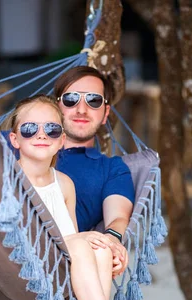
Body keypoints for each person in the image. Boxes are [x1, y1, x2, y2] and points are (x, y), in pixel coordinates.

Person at [4, 94, 153, 300]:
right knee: (89, 243)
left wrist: (94, 238)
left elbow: (69, 235)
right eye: (29, 129)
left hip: (61, 262)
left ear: (62, 141)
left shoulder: (65, 183)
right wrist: (83, 238)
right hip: (22, 258)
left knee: (99, 249)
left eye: (52, 129)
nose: (41, 135)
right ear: (14, 139)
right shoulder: (10, 180)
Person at [53, 66, 133, 279]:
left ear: (105, 113)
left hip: (66, 255)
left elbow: (117, 218)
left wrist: (112, 242)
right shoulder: (22, 143)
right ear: (56, 107)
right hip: (9, 244)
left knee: (102, 250)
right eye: (71, 99)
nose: (81, 109)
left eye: (93, 101)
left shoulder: (112, 169)